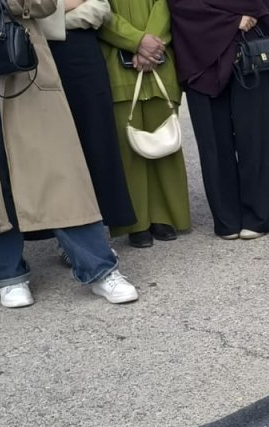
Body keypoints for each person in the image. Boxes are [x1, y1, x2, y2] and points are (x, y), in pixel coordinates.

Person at [0, 0, 139, 308]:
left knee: (58, 167)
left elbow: (46, 3)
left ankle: (99, 268)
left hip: (19, 59)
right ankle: (7, 275)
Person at [169, 0, 269, 240]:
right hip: (198, 51)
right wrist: (232, 20)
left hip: (246, 51)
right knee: (213, 142)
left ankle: (261, 215)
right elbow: (180, 5)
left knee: (254, 135)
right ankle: (227, 218)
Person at [43, 0, 143, 245]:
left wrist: (46, 17)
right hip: (35, 55)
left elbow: (99, 9)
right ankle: (65, 236)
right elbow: (21, 12)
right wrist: (62, 9)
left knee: (96, 140)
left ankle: (95, 232)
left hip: (81, 54)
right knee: (52, 150)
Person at [100, 0, 193, 246]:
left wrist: (151, 44)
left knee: (165, 141)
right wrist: (137, 41)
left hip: (159, 58)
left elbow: (165, 5)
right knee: (127, 148)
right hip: (116, 59)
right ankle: (136, 222)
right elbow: (98, 10)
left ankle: (166, 215)